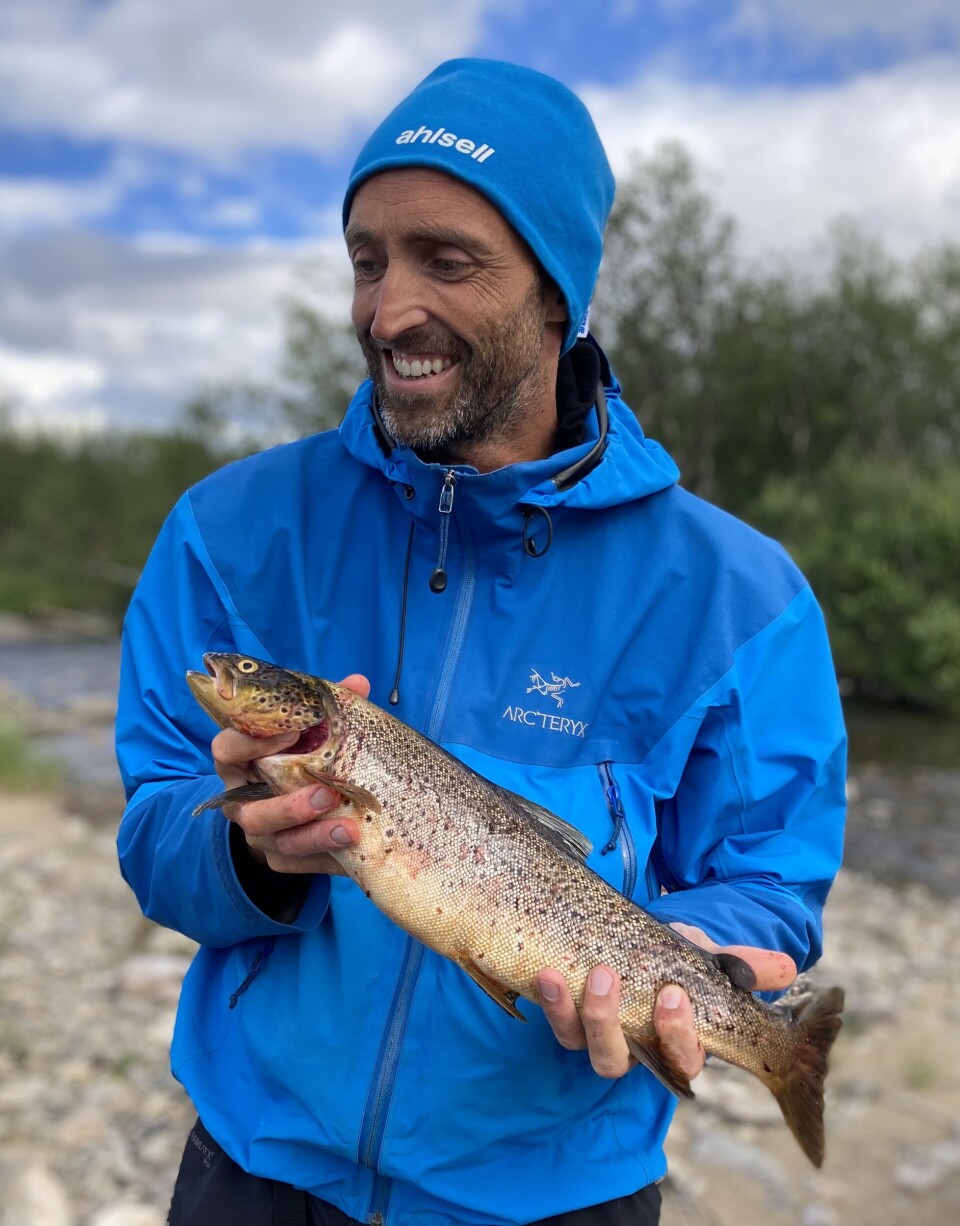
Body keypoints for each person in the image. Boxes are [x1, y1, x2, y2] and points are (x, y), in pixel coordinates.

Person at [116, 59, 846, 1226]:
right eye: (367, 259)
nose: (387, 310)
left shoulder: (740, 599)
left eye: (445, 260)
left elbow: (768, 875)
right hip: (257, 1170)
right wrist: (250, 855)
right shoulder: (230, 529)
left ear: (557, 293)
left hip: (555, 1194)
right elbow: (154, 822)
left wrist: (704, 954)